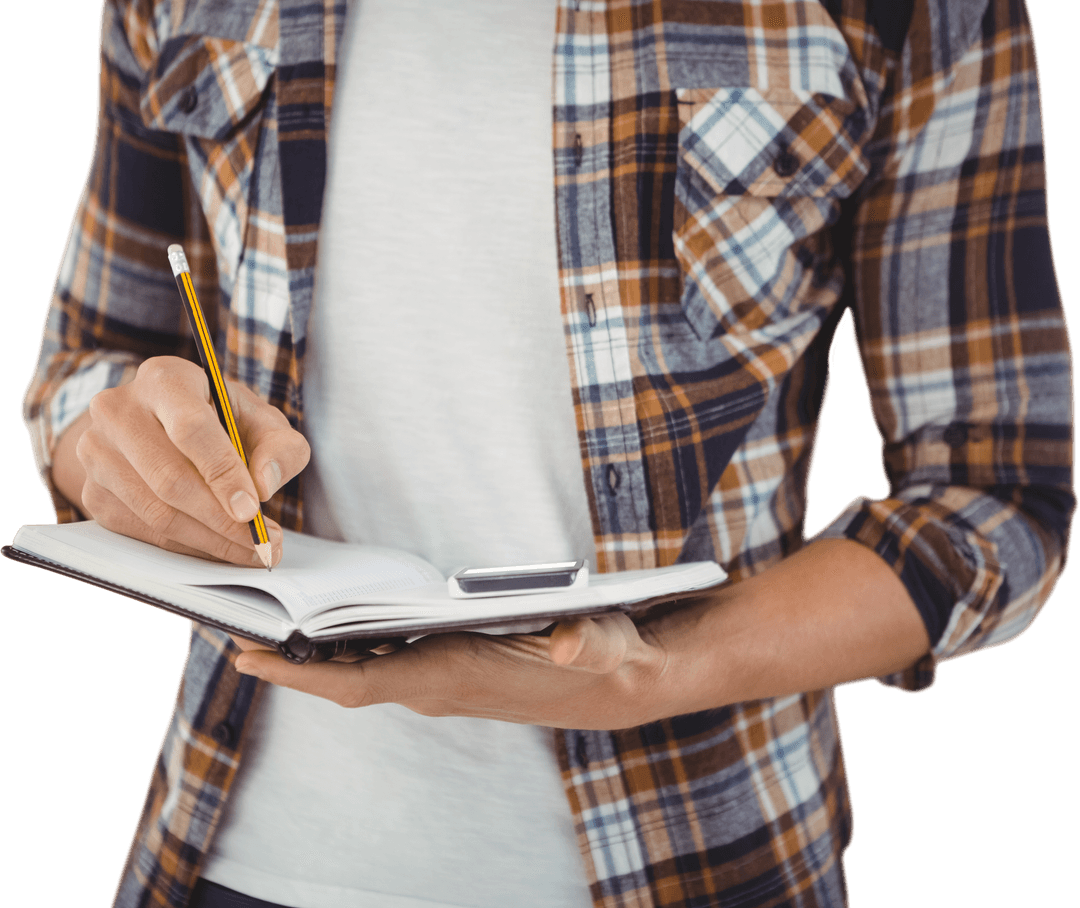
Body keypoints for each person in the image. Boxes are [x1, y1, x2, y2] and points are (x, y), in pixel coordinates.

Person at [21, 0, 1074, 906]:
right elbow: (89, 359)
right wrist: (114, 443)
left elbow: (998, 495)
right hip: (233, 851)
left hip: (708, 852)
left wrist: (660, 669)